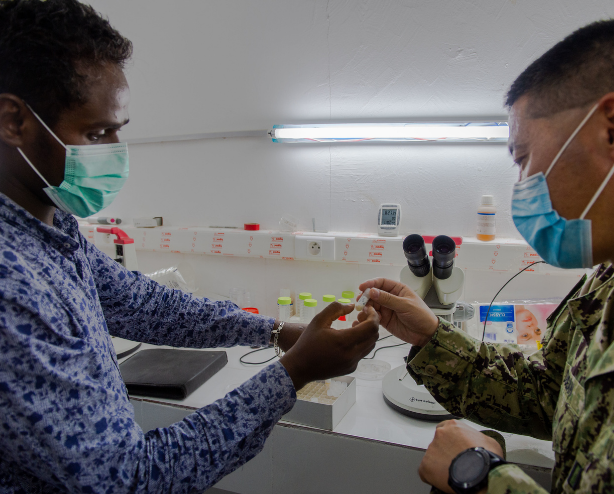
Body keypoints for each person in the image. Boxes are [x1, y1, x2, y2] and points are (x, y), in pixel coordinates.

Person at [0, 1, 380, 492]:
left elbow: (141, 303)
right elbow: (129, 480)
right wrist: (295, 371)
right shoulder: (10, 283)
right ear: (13, 121)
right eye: (97, 132)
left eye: (119, 129)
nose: (117, 150)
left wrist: (273, 330)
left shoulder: (52, 226)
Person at [357, 19, 614, 494]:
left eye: (522, 157)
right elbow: (547, 393)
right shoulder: (605, 280)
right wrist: (433, 338)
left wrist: (479, 476)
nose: (521, 188)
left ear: (609, 127)